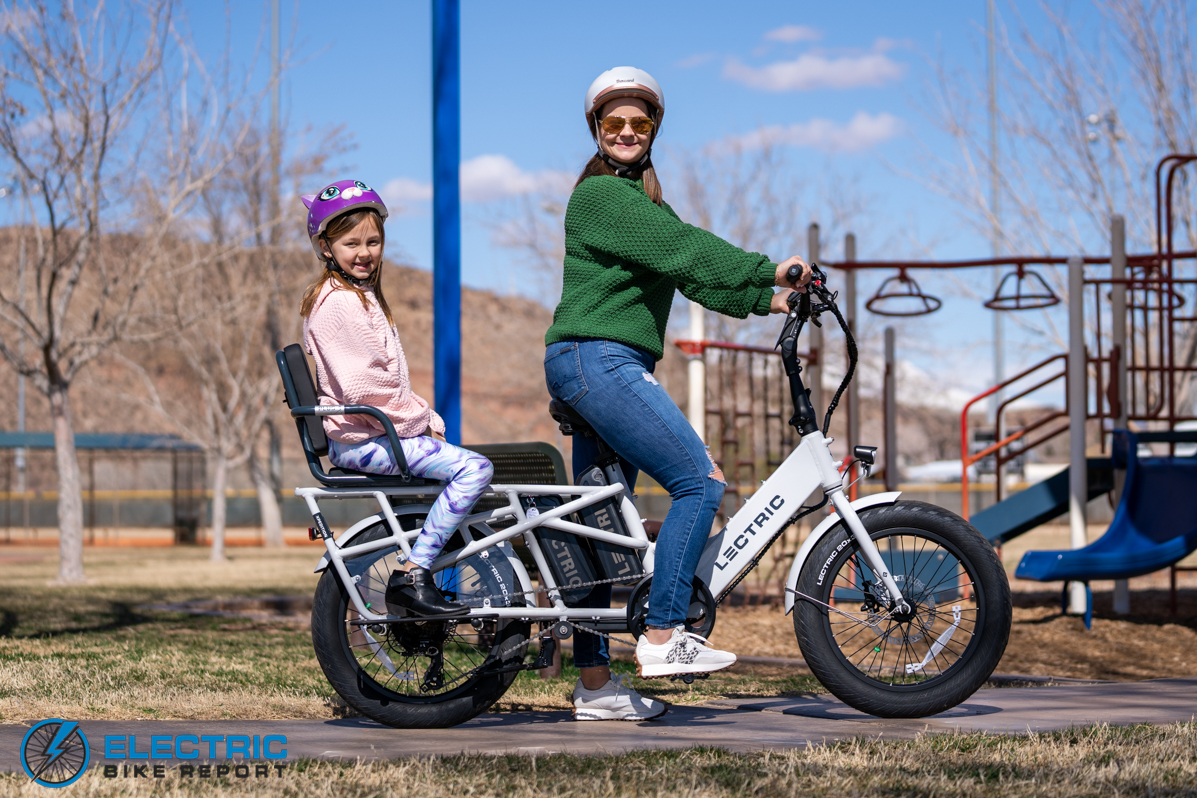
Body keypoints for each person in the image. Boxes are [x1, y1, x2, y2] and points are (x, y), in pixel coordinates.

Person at [544, 67, 811, 720]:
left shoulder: (644, 205)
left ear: (653, 128)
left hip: (594, 363)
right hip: (598, 360)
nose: (628, 132)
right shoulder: (602, 198)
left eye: (640, 122)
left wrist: (767, 298)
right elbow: (684, 249)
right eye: (614, 124)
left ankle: (596, 688)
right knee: (699, 480)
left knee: (596, 529)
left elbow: (691, 276)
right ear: (596, 131)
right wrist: (766, 266)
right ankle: (663, 635)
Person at [300, 179, 494, 618]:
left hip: (365, 435)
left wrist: (421, 419)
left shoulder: (355, 298)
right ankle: (413, 572)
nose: (364, 252)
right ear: (326, 248)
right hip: (362, 440)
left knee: (463, 467)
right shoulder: (340, 305)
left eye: (373, 240)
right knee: (475, 469)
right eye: (351, 243)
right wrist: (421, 420)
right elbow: (363, 388)